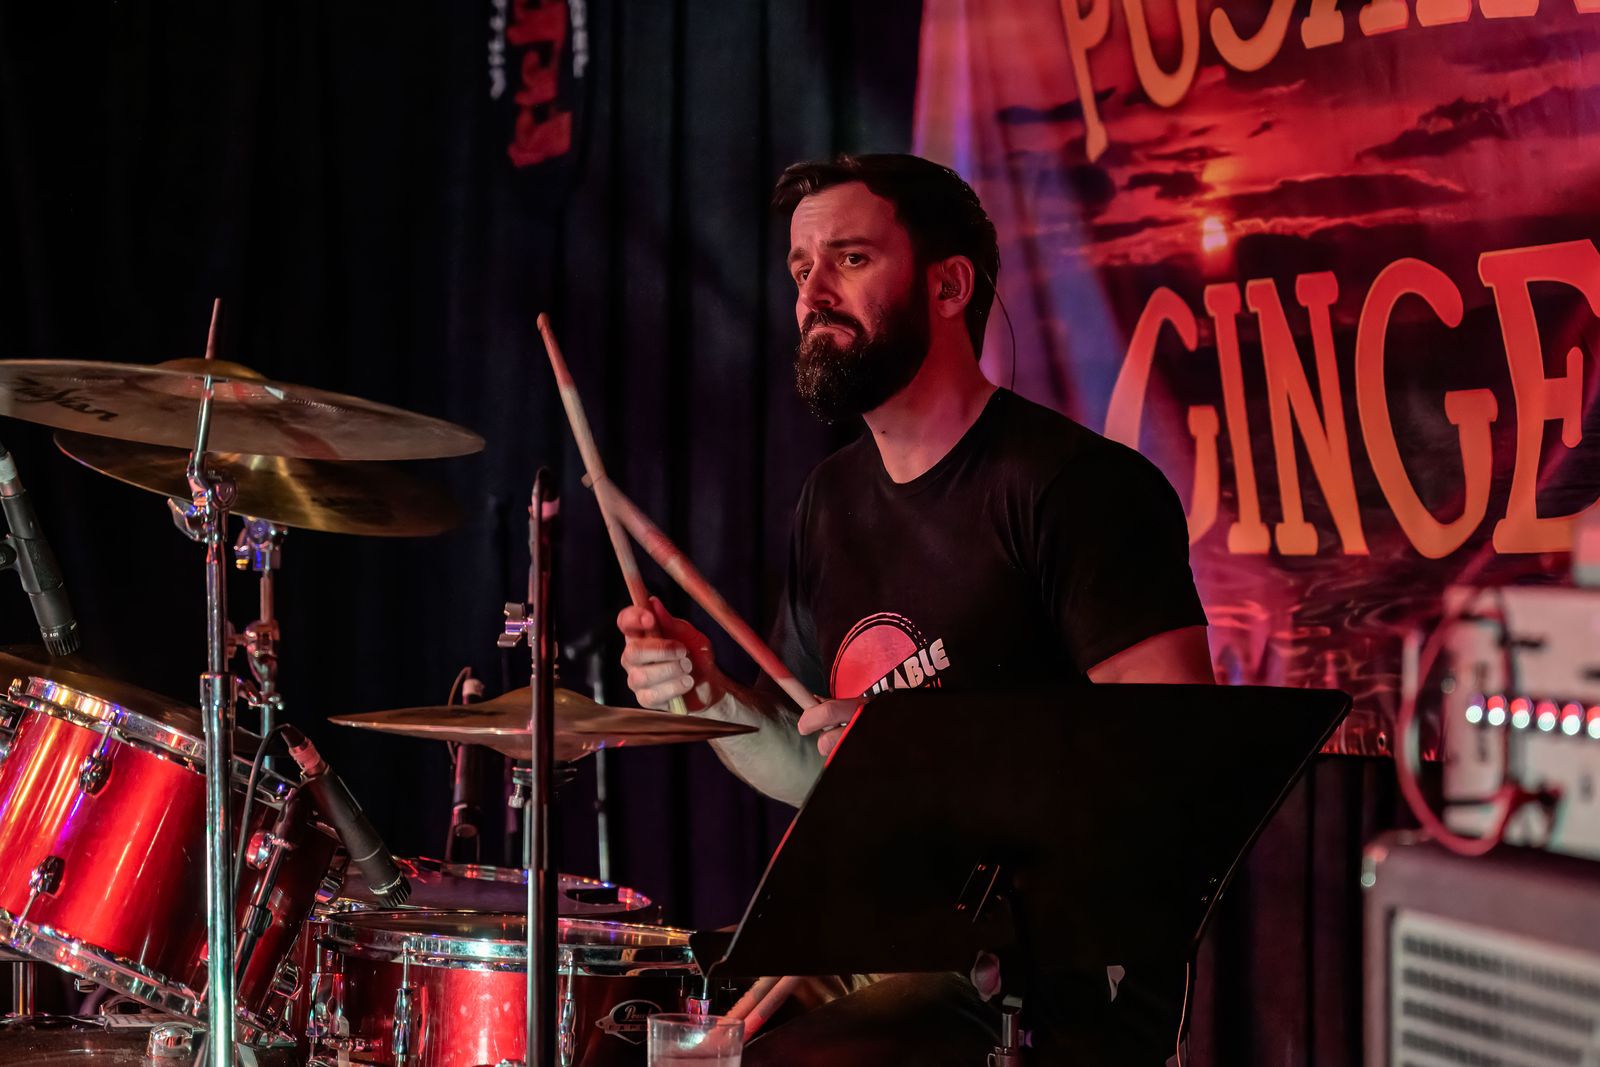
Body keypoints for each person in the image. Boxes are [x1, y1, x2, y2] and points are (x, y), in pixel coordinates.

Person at [617, 153, 1212, 1064]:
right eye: (800, 267)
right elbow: (820, 767)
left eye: (849, 259)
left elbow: (1176, 767)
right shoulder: (830, 503)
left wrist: (920, 757)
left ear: (948, 286)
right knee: (637, 1029)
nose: (812, 293)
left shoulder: (1077, 489)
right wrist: (704, 695)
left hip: (1037, 975)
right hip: (878, 937)